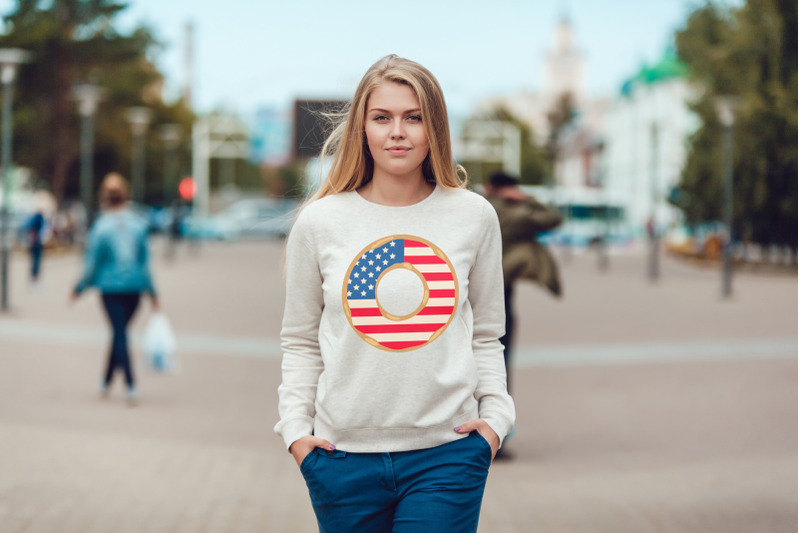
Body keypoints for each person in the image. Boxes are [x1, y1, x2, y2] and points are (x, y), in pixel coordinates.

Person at [274, 55, 515, 532]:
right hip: (341, 461)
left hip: (447, 455)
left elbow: (487, 334)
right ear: (362, 129)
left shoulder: (473, 216)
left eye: (414, 117)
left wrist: (494, 423)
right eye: (382, 118)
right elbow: (299, 340)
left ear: (435, 128)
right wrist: (297, 434)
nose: (397, 132)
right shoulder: (320, 222)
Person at [71, 172, 159, 405]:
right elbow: (145, 263)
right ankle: (106, 380)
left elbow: (92, 263)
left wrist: (78, 288)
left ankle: (130, 385)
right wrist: (153, 293)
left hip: (110, 289)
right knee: (119, 332)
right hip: (135, 289)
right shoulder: (138, 223)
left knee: (120, 333)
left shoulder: (100, 227)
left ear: (104, 197)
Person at [483, 171, 563, 396]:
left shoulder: (478, 206)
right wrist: (527, 199)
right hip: (500, 289)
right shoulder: (516, 212)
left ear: (489, 185)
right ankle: (498, 410)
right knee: (500, 351)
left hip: (474, 287)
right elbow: (553, 218)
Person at [25, 208, 46, 286]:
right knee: (36, 259)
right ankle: (34, 276)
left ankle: (34, 276)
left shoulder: (34, 219)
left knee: (34, 259)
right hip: (36, 241)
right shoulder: (38, 219)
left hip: (35, 241)